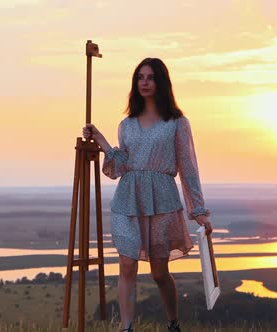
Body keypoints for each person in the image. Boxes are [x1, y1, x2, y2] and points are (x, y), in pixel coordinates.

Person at [82, 57, 212, 332]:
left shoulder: (177, 122)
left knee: (159, 273)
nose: (144, 82)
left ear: (160, 82)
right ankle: (127, 327)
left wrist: (197, 211)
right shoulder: (126, 124)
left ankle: (173, 323)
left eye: (150, 77)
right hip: (127, 200)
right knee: (127, 265)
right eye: (140, 77)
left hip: (162, 201)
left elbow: (188, 167)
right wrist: (101, 140)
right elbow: (121, 165)